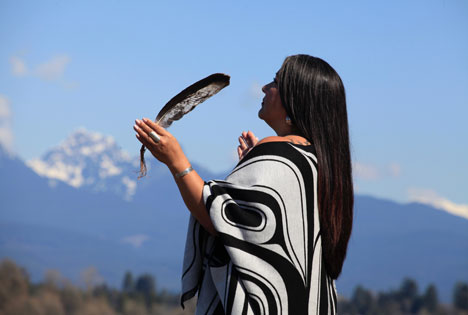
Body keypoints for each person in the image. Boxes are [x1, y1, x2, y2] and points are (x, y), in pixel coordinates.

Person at [133, 54, 353, 315]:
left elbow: (216, 216)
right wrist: (253, 169)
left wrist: (175, 160)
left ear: (294, 100)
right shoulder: (320, 164)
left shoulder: (276, 151)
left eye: (275, 81)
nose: (264, 87)